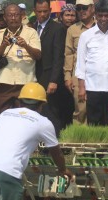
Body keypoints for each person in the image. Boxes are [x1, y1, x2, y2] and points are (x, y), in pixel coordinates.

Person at [0, 3, 41, 115]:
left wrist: (26, 46)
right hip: (5, 83)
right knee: (3, 117)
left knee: (25, 117)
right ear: (5, 17)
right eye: (10, 15)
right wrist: (3, 45)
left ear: (22, 15)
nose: (13, 18)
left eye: (16, 15)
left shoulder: (31, 32)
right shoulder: (0, 33)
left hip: (25, 83)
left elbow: (38, 56)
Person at [34, 0, 67, 134]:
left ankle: (54, 142)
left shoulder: (57, 28)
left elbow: (59, 57)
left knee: (50, 110)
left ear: (50, 10)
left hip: (49, 76)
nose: (43, 14)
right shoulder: (31, 28)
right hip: (35, 75)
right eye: (40, 11)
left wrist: (54, 80)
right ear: (35, 11)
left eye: (45, 11)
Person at [64, 0, 96, 124]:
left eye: (84, 8)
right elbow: (69, 54)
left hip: (97, 75)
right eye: (79, 8)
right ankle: (79, 141)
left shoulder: (101, 26)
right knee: (80, 110)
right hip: (78, 76)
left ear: (92, 8)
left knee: (96, 109)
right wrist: (67, 76)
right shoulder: (72, 29)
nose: (81, 11)